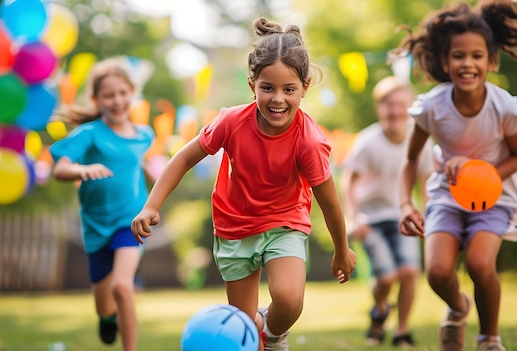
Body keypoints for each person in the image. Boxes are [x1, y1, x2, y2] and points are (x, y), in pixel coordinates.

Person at [131, 17, 356, 351]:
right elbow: (183, 158)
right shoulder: (231, 122)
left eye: (289, 90)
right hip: (234, 226)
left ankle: (274, 331)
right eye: (268, 88)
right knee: (242, 328)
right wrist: (151, 205)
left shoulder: (309, 142)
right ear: (253, 84)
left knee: (290, 300)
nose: (278, 99)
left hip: (285, 223)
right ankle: (257, 331)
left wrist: (342, 249)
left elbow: (330, 202)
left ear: (305, 87)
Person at [394, 1, 517, 350]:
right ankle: (458, 307)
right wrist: (406, 203)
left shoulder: (504, 107)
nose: (467, 63)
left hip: (493, 197)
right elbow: (410, 160)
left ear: (491, 61)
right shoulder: (432, 106)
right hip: (445, 196)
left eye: (477, 56)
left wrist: (476, 171)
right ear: (444, 61)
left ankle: (489, 338)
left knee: (481, 264)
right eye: (458, 56)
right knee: (437, 272)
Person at [50, 57, 155, 351]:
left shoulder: (144, 135)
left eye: (122, 93)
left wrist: (157, 173)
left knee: (123, 286)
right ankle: (107, 318)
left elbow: (139, 162)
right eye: (109, 95)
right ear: (97, 99)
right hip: (96, 227)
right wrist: (81, 170)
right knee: (103, 306)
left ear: (132, 93)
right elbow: (60, 169)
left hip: (130, 221)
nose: (117, 100)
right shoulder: (89, 134)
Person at [341, 76, 433, 348]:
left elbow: (426, 182)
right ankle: (380, 309)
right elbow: (349, 181)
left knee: (409, 273)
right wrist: (352, 218)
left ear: (410, 107)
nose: (394, 111)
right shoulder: (368, 141)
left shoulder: (420, 140)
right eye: (387, 105)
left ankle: (402, 331)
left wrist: (429, 216)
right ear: (379, 108)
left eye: (399, 104)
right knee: (387, 276)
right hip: (371, 218)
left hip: (404, 214)